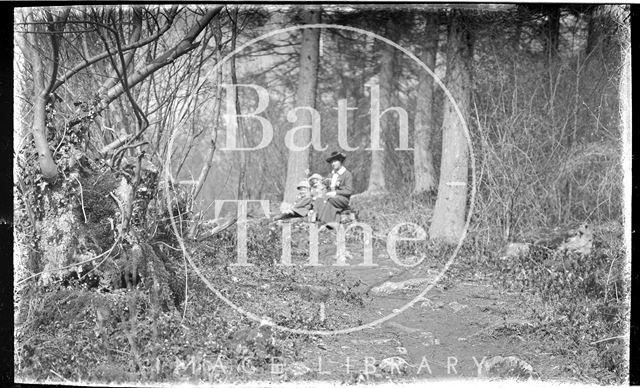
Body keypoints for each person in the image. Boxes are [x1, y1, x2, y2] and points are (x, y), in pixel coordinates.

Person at [314, 151, 353, 227]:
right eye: (332, 162)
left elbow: (349, 191)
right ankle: (319, 219)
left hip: (342, 199)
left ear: (340, 161)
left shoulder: (347, 174)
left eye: (335, 161)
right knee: (319, 199)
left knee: (328, 199)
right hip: (330, 197)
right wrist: (321, 185)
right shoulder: (331, 174)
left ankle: (324, 221)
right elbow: (327, 187)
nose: (333, 164)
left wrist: (335, 193)